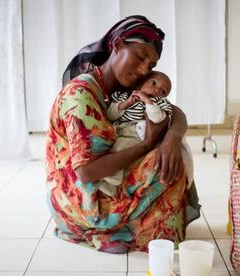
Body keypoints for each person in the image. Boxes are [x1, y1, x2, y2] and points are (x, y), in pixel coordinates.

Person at [46, 15, 200, 253]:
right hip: (80, 199)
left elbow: (175, 112)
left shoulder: (120, 86)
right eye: (139, 57)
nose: (142, 70)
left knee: (172, 149)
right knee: (164, 162)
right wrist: (148, 143)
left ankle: (136, 226)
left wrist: (171, 138)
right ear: (117, 45)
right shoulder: (80, 95)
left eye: (150, 66)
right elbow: (87, 172)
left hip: (106, 181)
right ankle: (114, 230)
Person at [100, 71, 194, 197]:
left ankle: (112, 183)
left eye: (163, 92)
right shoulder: (123, 96)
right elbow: (111, 114)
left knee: (119, 150)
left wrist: (148, 102)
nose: (156, 91)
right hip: (120, 129)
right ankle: (109, 178)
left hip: (135, 133)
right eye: (153, 83)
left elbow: (158, 118)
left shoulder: (158, 103)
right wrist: (126, 103)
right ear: (140, 83)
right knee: (108, 151)